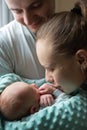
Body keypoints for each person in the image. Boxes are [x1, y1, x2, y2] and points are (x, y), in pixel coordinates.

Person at [36, 0, 87, 129]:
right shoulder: (75, 82)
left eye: (51, 68)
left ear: (81, 59)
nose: (47, 78)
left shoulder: (80, 108)